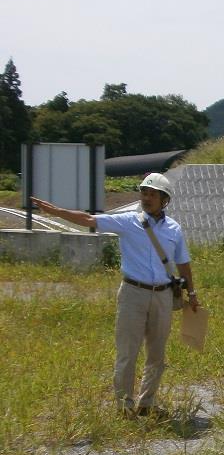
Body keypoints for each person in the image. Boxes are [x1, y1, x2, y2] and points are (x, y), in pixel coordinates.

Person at [31, 174, 199, 415]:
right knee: (127, 352)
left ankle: (147, 402)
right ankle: (124, 405)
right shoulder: (127, 222)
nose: (147, 198)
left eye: (153, 194)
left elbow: (183, 263)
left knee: (157, 353)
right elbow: (89, 219)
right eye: (144, 193)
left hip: (163, 295)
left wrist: (191, 293)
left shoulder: (174, 229)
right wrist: (57, 212)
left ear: (165, 200)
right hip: (133, 293)